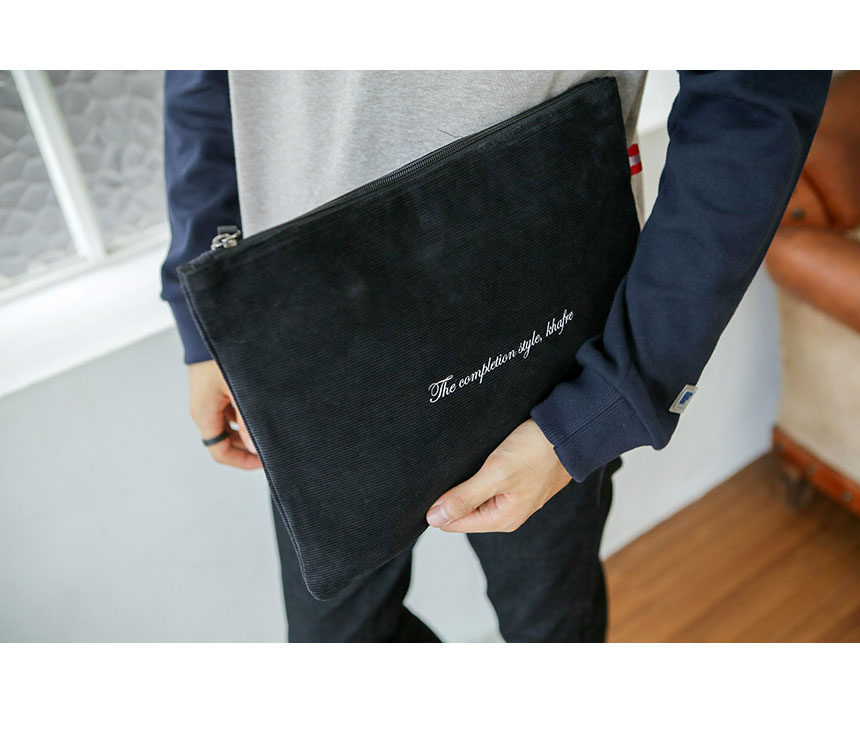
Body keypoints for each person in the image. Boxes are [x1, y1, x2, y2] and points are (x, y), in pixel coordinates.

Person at [160, 70, 831, 642]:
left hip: (543, 342)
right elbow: (201, 67)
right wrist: (204, 309)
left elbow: (752, 99)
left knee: (551, 629)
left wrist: (609, 400)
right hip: (310, 332)